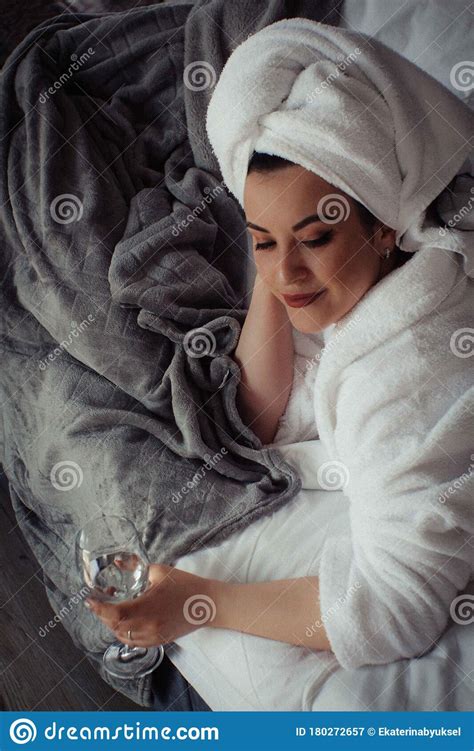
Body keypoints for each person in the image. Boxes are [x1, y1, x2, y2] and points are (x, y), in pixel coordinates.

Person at [86, 18, 474, 710]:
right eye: (261, 240)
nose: (286, 271)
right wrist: (283, 256)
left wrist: (198, 604)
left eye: (316, 238)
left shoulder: (408, 373)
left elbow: (394, 608)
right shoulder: (354, 275)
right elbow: (264, 415)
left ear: (385, 225)